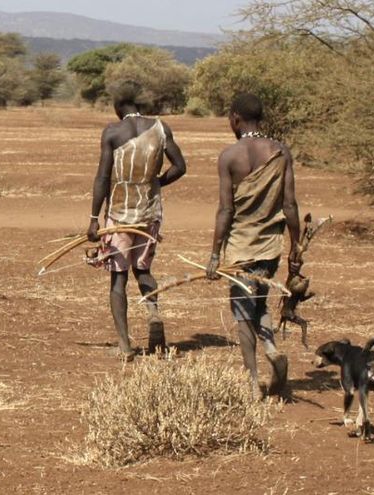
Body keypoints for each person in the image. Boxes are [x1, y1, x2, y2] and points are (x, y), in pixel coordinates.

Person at [206, 93, 301, 399]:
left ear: (235, 118)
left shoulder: (230, 156)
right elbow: (289, 205)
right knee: (259, 302)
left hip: (239, 248)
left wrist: (214, 254)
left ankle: (252, 381)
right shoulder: (280, 152)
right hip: (270, 245)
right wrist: (295, 246)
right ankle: (272, 349)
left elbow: (226, 210)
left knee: (242, 314)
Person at [86, 83, 187, 360]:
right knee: (143, 269)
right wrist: (155, 184)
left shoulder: (112, 132)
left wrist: (95, 220)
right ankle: (153, 313)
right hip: (150, 212)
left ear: (118, 108)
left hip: (119, 214)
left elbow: (103, 179)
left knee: (118, 279)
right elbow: (180, 167)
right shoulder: (160, 128)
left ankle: (125, 346)